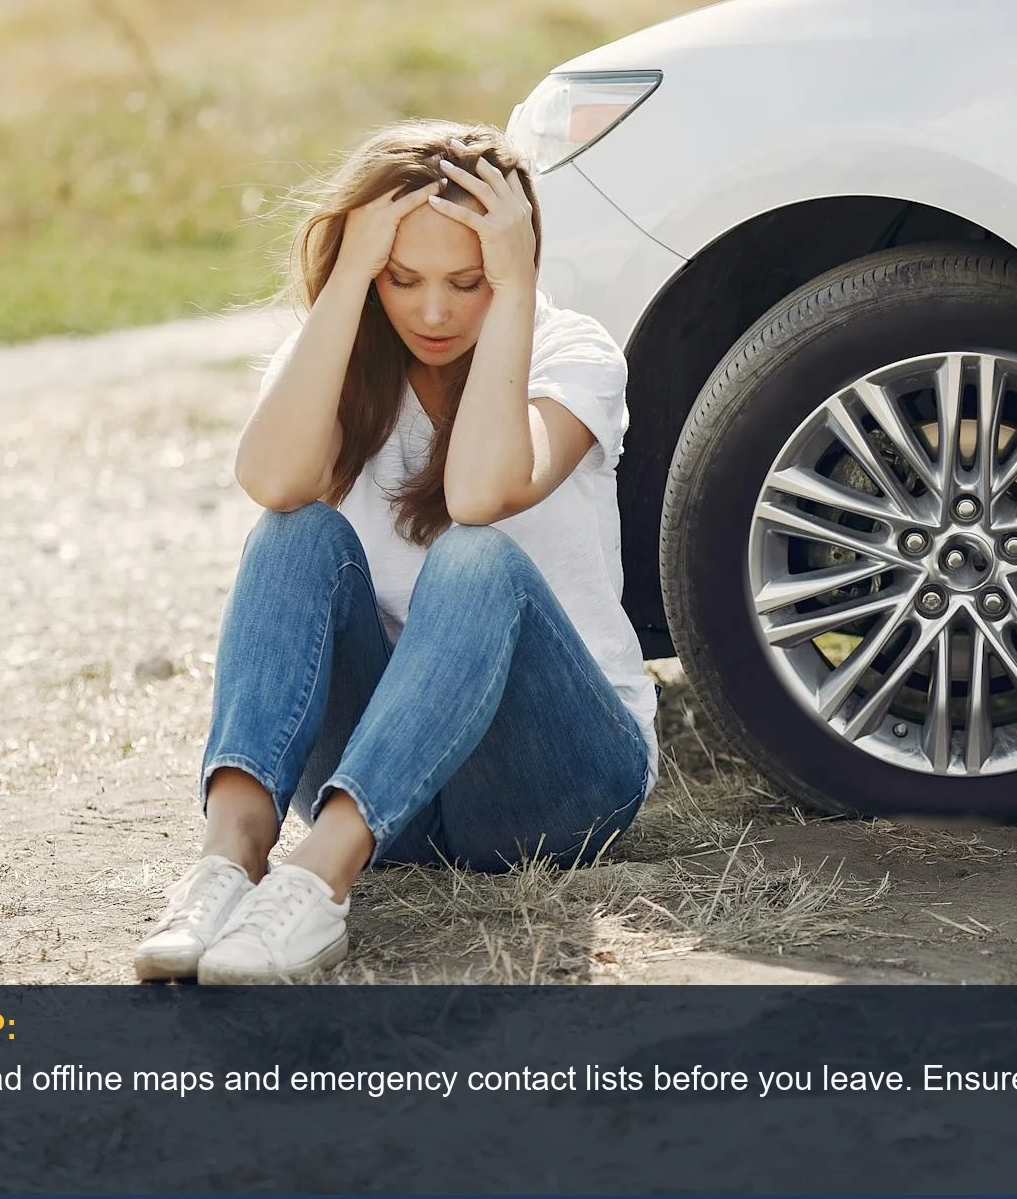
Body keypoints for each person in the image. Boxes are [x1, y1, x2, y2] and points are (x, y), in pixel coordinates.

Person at [133, 118, 658, 984]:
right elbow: (270, 478)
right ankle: (227, 862)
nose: (435, 310)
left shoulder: (572, 353)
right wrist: (346, 276)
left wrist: (517, 289)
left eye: (467, 280)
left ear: (512, 262)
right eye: (403, 278)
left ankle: (318, 876)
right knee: (294, 528)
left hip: (559, 776)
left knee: (475, 555)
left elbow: (479, 493)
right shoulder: (336, 357)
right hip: (394, 794)